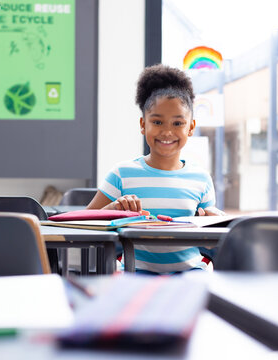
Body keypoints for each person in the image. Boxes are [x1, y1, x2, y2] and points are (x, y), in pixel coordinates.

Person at [87, 63, 223, 274]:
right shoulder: (121, 174)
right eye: (157, 122)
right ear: (143, 125)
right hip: (135, 273)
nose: (167, 132)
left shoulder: (201, 179)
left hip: (191, 273)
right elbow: (84, 225)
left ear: (191, 128)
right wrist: (112, 210)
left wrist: (214, 221)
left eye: (177, 123)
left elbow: (210, 240)